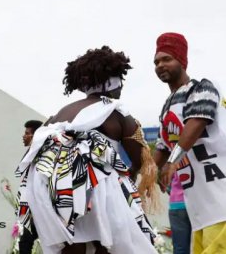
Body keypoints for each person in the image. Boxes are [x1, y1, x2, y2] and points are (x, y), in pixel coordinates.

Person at [16, 46, 156, 254]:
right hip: (97, 187)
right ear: (113, 82)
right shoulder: (115, 111)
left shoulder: (59, 114)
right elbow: (140, 159)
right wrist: (131, 181)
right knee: (107, 244)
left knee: (73, 245)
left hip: (55, 190)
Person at [154, 32, 226, 254]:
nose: (160, 65)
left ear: (182, 60)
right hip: (198, 207)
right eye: (156, 61)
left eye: (167, 59)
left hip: (221, 198)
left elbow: (196, 122)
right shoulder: (167, 106)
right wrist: (146, 175)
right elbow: (161, 147)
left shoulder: (202, 88)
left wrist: (172, 162)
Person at [18, 120, 43, 253]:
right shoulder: (31, 153)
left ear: (35, 136)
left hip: (40, 207)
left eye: (27, 133)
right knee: (25, 243)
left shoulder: (42, 153)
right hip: (32, 208)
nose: (24, 136)